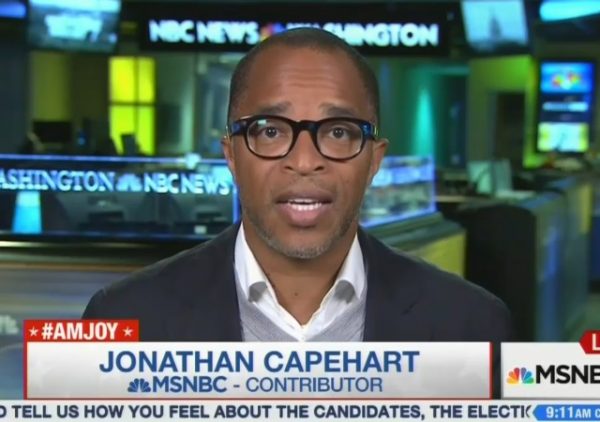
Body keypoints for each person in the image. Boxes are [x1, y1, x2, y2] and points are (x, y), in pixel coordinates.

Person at [83, 28, 511, 345]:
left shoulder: (471, 325)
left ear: (374, 160)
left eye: (339, 132)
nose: (305, 162)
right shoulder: (124, 319)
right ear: (231, 155)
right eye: (270, 131)